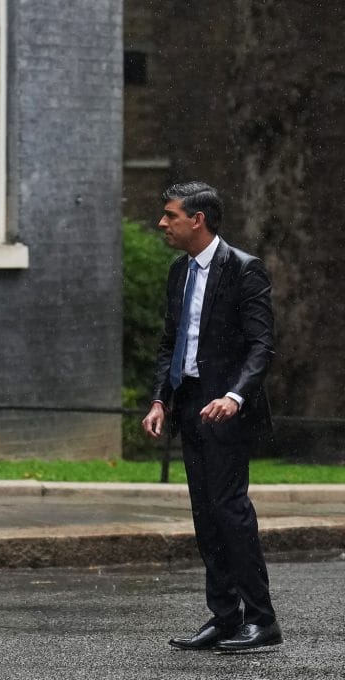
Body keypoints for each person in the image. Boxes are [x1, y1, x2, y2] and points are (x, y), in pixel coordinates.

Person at [141, 181, 282, 653]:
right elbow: (170, 342)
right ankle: (224, 617)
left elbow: (262, 344)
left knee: (230, 511)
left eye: (170, 215)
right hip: (188, 404)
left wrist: (235, 396)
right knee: (206, 514)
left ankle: (262, 620)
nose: (163, 223)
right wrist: (160, 399)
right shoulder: (178, 272)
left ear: (197, 220)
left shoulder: (244, 270)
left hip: (226, 410)